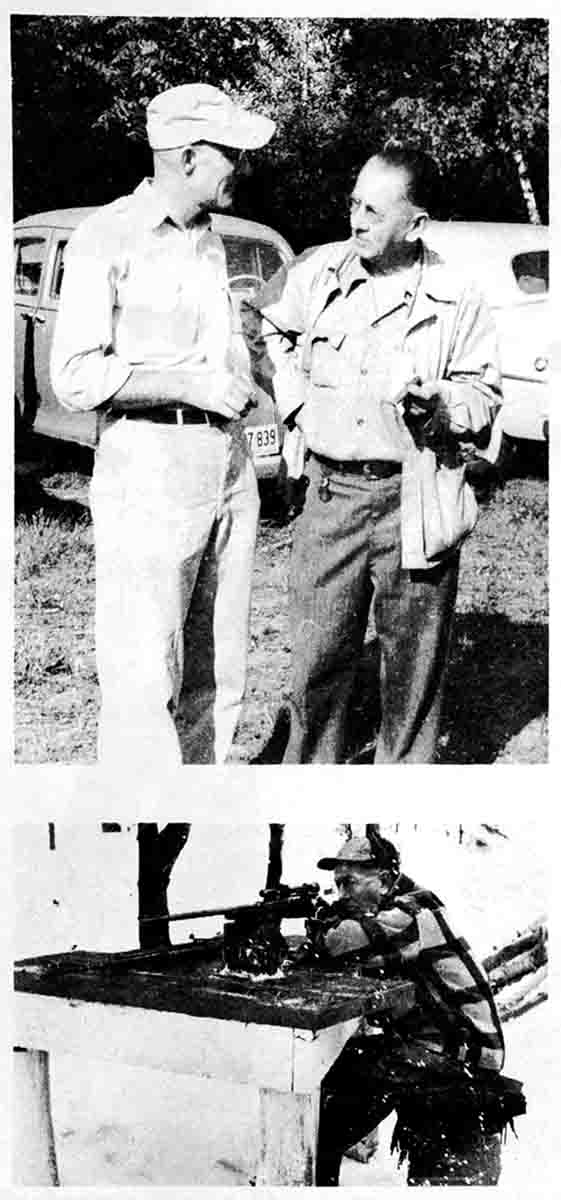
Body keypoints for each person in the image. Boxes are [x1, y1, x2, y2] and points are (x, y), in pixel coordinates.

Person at [255, 143, 502, 763]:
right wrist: (295, 407)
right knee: (317, 671)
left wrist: (442, 403)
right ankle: (311, 817)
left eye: (373, 210)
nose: (356, 221)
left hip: (415, 501)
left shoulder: (457, 293)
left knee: (412, 678)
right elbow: (264, 328)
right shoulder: (316, 271)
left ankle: (394, 826)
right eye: (353, 204)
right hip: (329, 498)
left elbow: (484, 396)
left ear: (415, 224)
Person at [51, 84, 275, 765]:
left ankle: (200, 807)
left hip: (226, 464)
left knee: (219, 666)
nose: (242, 165)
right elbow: (77, 376)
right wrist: (189, 385)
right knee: (145, 671)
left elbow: (224, 354)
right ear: (185, 156)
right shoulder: (107, 237)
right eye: (230, 152)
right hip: (149, 463)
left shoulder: (212, 241)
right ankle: (144, 824)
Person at [310, 831, 523, 1186]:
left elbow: (338, 943)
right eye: (337, 884)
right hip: (440, 1044)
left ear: (385, 878)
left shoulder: (413, 912)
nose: (342, 893)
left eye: (349, 882)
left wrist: (321, 921)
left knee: (343, 1096)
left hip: (463, 1055)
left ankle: (318, 1165)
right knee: (342, 1077)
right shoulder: (396, 911)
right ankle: (322, 1162)